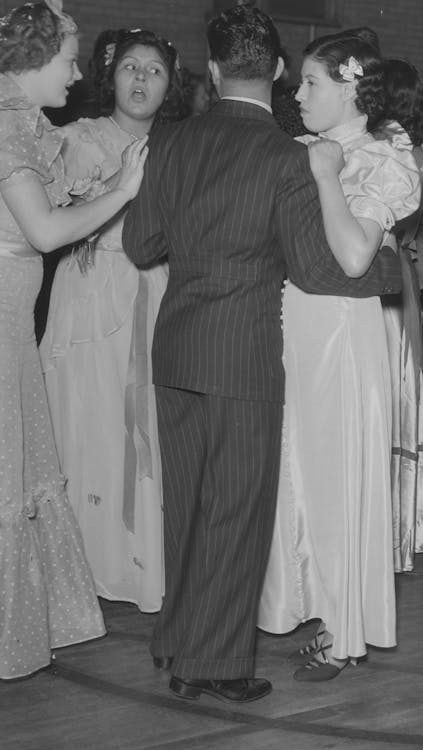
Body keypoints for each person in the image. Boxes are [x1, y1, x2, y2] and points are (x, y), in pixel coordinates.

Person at [122, 5, 401, 703]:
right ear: (276, 71)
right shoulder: (287, 155)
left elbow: (140, 245)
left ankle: (174, 642)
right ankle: (212, 666)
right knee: (235, 511)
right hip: (242, 352)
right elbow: (313, 268)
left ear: (212, 70)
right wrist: (388, 272)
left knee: (184, 506)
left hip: (177, 345)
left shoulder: (173, 141)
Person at [257, 34, 420, 681]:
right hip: (296, 318)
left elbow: (355, 255)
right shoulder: (306, 147)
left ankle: (344, 631)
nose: (296, 96)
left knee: (337, 476)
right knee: (297, 468)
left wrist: (325, 174)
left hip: (342, 333)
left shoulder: (383, 157)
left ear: (351, 87)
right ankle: (309, 604)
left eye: (311, 84)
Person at [0, 0, 149, 680]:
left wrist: (97, 186)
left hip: (13, 323)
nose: (75, 76)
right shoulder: (6, 127)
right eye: (66, 61)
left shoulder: (25, 123)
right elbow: (45, 233)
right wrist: (123, 192)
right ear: (32, 60)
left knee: (22, 462)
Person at [39, 28, 181, 615]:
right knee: (87, 419)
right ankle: (79, 568)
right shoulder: (73, 139)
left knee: (146, 425)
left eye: (154, 68)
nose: (141, 78)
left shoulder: (181, 147)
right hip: (90, 297)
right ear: (110, 76)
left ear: (171, 83)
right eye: (129, 67)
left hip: (157, 295)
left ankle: (138, 565)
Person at [374, 56, 423, 573]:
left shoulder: (363, 144)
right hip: (397, 272)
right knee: (400, 385)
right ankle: (401, 522)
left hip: (359, 271)